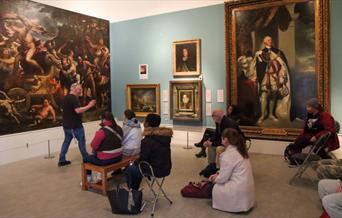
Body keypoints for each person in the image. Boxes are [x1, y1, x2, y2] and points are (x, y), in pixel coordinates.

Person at [208, 128, 254, 212]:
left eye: (222, 138)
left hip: (237, 191)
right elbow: (230, 170)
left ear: (225, 140)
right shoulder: (240, 150)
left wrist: (214, 179)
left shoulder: (228, 155)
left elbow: (222, 179)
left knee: (210, 189)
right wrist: (217, 173)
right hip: (245, 190)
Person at [125, 113, 173, 190]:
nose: (143, 122)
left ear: (147, 123)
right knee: (137, 167)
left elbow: (142, 159)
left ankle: (133, 191)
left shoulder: (147, 140)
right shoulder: (164, 137)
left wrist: (134, 162)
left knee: (130, 169)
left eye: (145, 120)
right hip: (166, 168)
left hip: (155, 170)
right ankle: (135, 191)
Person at [58, 83, 96, 167]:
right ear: (74, 89)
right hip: (75, 126)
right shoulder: (73, 98)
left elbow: (63, 109)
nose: (81, 90)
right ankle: (86, 158)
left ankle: (62, 159)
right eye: (79, 89)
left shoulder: (65, 98)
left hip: (66, 125)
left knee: (66, 142)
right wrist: (89, 106)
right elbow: (78, 110)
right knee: (81, 141)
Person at [254, 36, 291, 123]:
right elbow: (258, 68)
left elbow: (282, 65)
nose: (270, 41)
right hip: (265, 77)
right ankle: (263, 115)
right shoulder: (260, 53)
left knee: (273, 96)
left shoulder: (278, 52)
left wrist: (281, 77)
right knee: (264, 95)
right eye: (268, 40)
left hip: (275, 77)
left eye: (271, 39)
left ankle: (271, 114)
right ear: (264, 42)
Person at [199, 109, 245, 177]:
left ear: (218, 116)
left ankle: (220, 170)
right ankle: (212, 165)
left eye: (214, 116)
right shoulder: (219, 122)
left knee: (219, 148)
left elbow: (227, 141)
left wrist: (212, 143)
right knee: (211, 146)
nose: (213, 118)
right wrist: (210, 141)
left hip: (235, 144)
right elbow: (217, 134)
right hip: (227, 142)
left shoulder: (228, 124)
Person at [83, 111, 123, 179]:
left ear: (104, 119)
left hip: (106, 160)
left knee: (86, 158)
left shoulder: (102, 131)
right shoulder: (119, 128)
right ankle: (116, 171)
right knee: (97, 152)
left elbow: (93, 145)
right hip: (119, 157)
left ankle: (88, 179)